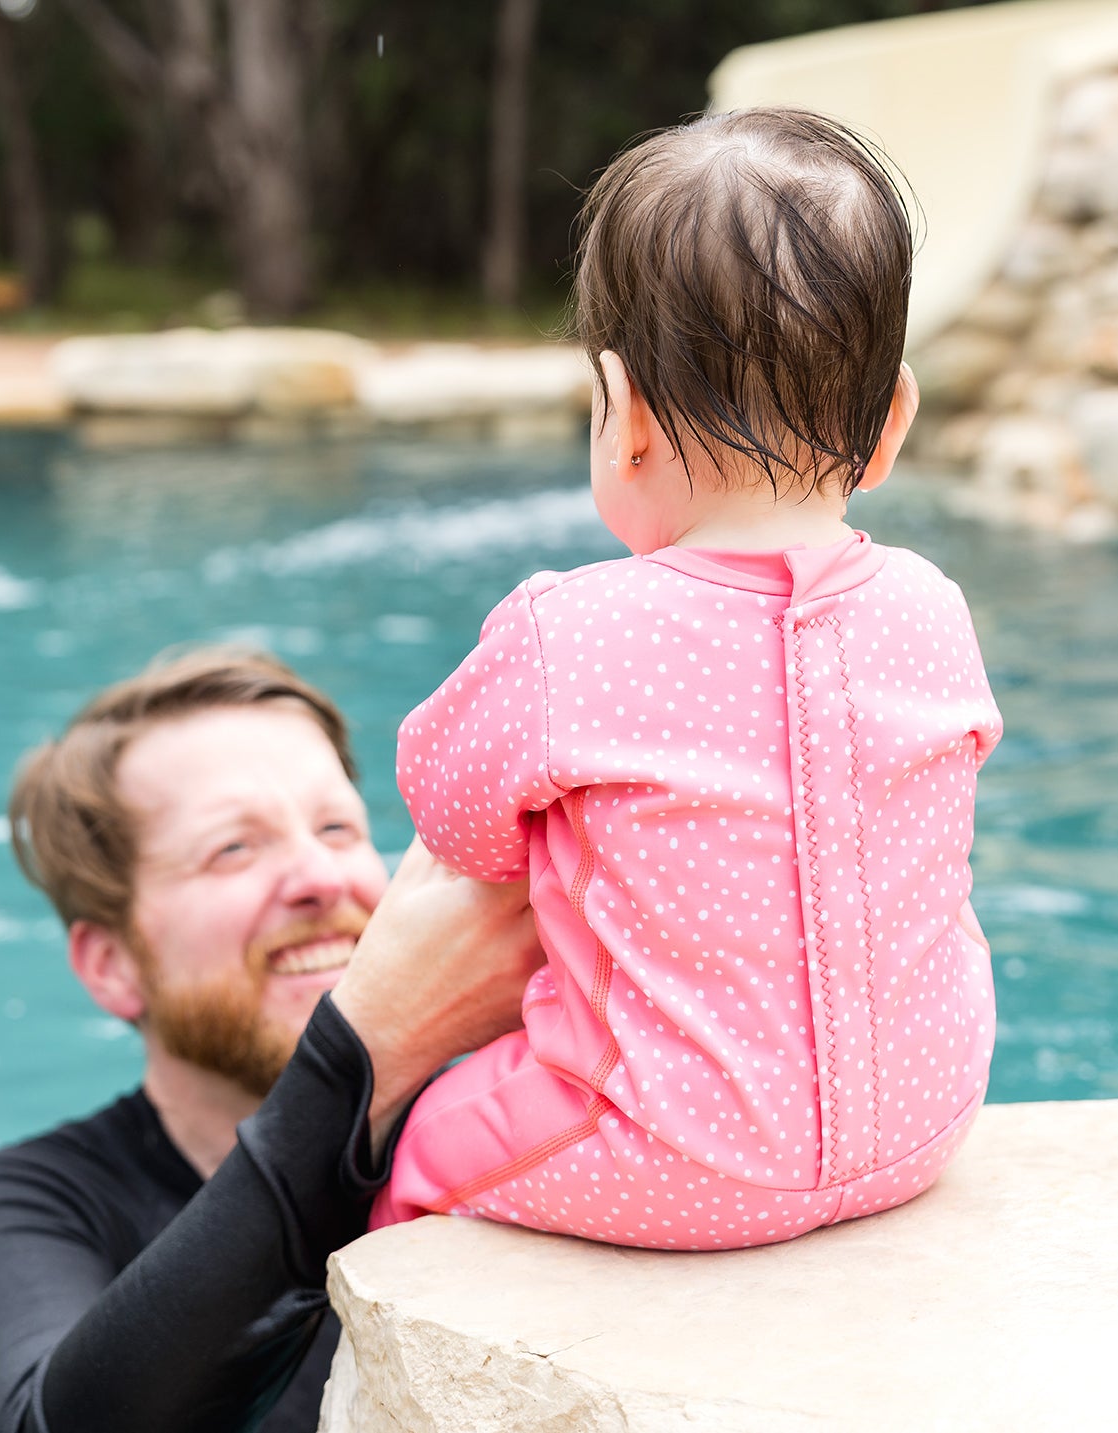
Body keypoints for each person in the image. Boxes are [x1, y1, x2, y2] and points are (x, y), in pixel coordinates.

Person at [370, 107, 1003, 1251]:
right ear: (890, 420)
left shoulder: (569, 629)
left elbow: (452, 820)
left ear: (627, 418)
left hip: (674, 1156)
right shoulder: (932, 606)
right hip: (928, 1119)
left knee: (412, 1144)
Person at [0, 649, 542, 1432]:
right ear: (111, 964)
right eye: (233, 848)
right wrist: (368, 1051)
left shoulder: (517, 1136)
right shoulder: (18, 1207)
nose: (319, 876)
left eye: (337, 827)